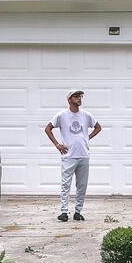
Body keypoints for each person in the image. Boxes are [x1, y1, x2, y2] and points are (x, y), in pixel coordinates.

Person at [44, 90, 102, 222]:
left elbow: (98, 127)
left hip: (83, 155)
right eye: (76, 96)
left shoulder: (86, 115)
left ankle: (78, 212)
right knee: (66, 184)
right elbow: (48, 129)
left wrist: (88, 138)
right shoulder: (62, 115)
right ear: (69, 100)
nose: (79, 99)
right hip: (69, 156)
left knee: (82, 185)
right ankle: (64, 212)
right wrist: (57, 144)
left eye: (80, 96)